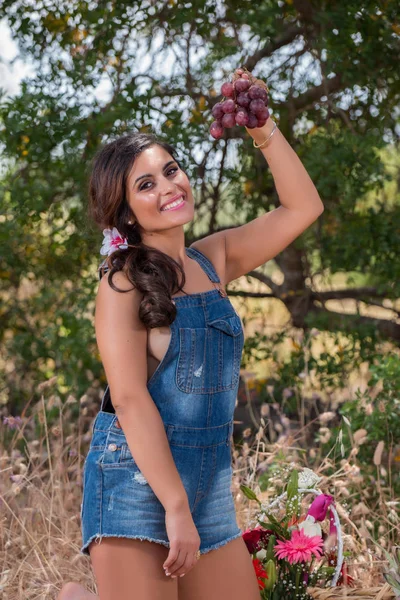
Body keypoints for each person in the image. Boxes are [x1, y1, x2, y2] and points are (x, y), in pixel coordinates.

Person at [58, 76, 324, 600]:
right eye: (146, 184)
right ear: (126, 211)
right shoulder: (121, 283)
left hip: (207, 485)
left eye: (171, 170)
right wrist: (175, 508)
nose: (169, 187)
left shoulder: (214, 259)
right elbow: (131, 401)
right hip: (135, 483)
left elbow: (302, 209)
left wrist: (263, 128)